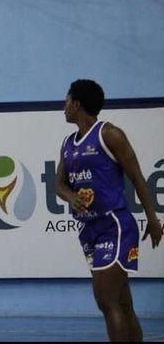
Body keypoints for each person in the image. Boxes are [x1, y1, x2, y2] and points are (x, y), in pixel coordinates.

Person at [56, 79, 162, 342]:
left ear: (77, 104)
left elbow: (137, 177)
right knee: (122, 303)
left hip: (114, 226)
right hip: (89, 229)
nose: (64, 105)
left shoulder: (109, 134)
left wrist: (152, 218)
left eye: (67, 100)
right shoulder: (68, 143)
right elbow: (59, 185)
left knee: (106, 300)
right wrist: (71, 196)